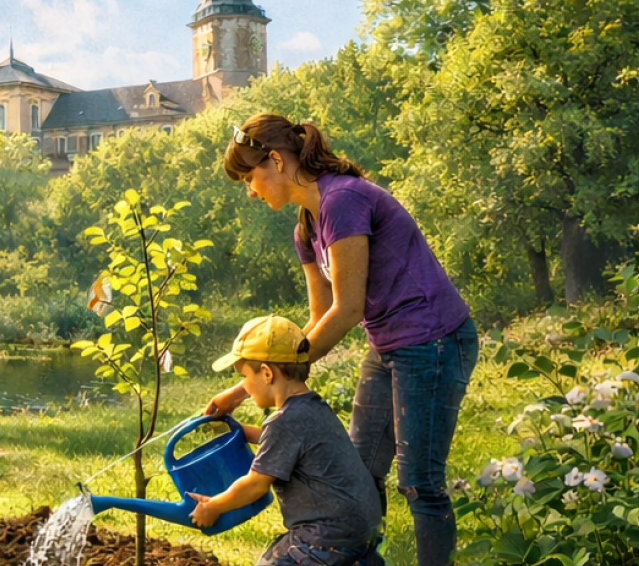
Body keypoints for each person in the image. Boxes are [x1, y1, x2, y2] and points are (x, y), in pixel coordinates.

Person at [208, 114, 476, 566]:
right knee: (360, 470)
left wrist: (258, 382)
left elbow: (347, 310)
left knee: (419, 480)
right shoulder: (306, 228)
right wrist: (245, 387)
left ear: (275, 159)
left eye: (250, 177)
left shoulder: (342, 200)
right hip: (388, 344)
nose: (251, 191)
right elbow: (318, 318)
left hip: (433, 339)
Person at [188, 315, 384, 566]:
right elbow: (286, 445)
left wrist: (213, 507)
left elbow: (255, 485)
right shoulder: (312, 407)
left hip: (327, 536)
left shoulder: (283, 421)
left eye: (244, 376)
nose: (244, 387)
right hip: (361, 531)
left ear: (267, 374)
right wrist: (238, 431)